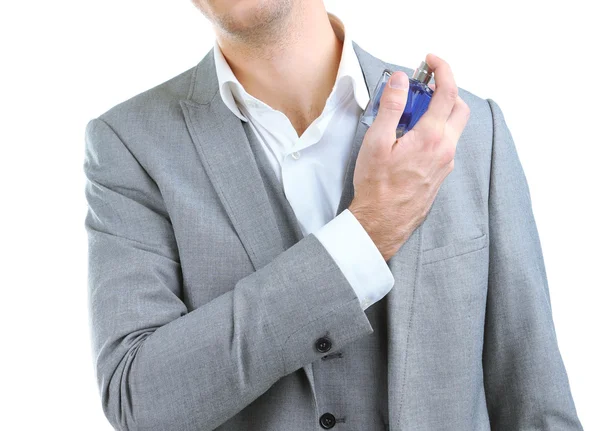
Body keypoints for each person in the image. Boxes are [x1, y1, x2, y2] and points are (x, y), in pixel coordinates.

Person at [82, 1, 583, 430]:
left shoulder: (465, 131)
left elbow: (536, 404)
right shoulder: (128, 145)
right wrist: (366, 233)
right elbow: (139, 399)